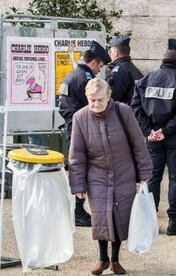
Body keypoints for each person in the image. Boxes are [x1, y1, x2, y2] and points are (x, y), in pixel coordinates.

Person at [69, 78, 153, 275]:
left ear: (108, 97)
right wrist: (78, 185)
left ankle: (115, 259)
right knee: (101, 217)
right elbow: (77, 155)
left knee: (119, 218)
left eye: (100, 99)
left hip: (124, 173)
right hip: (96, 175)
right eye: (92, 100)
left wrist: (144, 173)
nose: (96, 104)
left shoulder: (123, 112)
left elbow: (138, 145)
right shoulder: (80, 118)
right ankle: (102, 258)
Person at [131, 38, 176, 236]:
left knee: (152, 179)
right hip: (175, 138)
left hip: (152, 138)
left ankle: (150, 221)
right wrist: (166, 131)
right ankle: (174, 222)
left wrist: (149, 131)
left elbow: (135, 107)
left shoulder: (147, 79)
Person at [58, 41, 111, 227]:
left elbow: (63, 108)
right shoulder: (86, 78)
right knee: (82, 170)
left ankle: (76, 209)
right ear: (95, 62)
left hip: (72, 128)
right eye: (101, 66)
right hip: (82, 131)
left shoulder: (71, 75)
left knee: (77, 168)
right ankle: (77, 210)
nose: (99, 71)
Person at [106, 36, 143, 104]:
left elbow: (112, 98)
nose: (109, 54)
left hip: (120, 113)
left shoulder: (118, 71)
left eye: (110, 52)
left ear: (115, 53)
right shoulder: (133, 69)